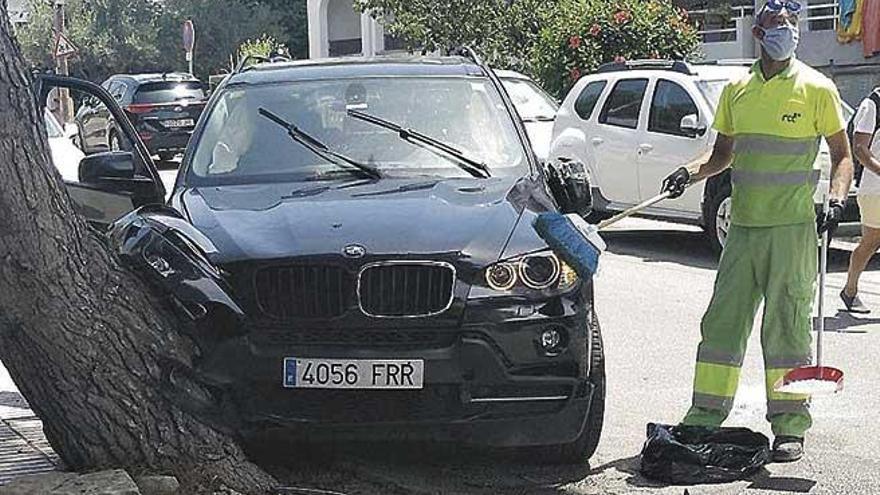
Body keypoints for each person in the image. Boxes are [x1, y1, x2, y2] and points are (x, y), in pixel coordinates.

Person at [660, 0, 854, 462]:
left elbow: (843, 156)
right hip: (742, 230)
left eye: (791, 24)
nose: (785, 31)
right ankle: (704, 416)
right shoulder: (737, 89)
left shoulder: (817, 88)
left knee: (786, 329)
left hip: (791, 230)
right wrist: (688, 172)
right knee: (722, 325)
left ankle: (789, 426)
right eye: (776, 24)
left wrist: (837, 198)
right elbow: (721, 154)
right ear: (758, 33)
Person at [841, 87, 880, 313]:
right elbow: (860, 149)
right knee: (870, 242)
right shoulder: (873, 104)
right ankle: (849, 291)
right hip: (874, 188)